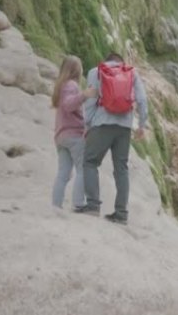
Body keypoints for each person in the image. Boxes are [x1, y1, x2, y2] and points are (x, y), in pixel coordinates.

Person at [75, 52, 148, 225]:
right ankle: (121, 213)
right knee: (121, 169)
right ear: (121, 62)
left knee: (90, 162)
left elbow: (91, 101)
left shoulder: (96, 71)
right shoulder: (132, 73)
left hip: (102, 124)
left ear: (107, 60)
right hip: (124, 127)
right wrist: (142, 125)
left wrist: (87, 125)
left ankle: (93, 205)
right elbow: (142, 100)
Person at [51, 56, 97, 209]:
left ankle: (56, 205)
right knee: (82, 169)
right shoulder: (71, 85)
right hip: (73, 135)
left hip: (60, 136)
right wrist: (85, 94)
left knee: (63, 173)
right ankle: (78, 204)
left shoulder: (61, 85)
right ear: (76, 70)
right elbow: (69, 104)